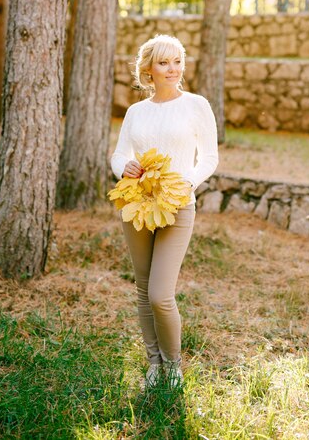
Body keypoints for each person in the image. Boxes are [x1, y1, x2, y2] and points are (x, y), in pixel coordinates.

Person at [111, 34, 218, 390]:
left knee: (160, 294)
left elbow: (210, 159)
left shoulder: (196, 105)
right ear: (148, 69)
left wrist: (187, 183)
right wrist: (123, 166)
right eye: (164, 63)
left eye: (177, 61)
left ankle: (174, 366)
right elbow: (119, 153)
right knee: (143, 291)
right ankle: (153, 363)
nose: (173, 69)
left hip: (178, 206)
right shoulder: (136, 112)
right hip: (138, 206)